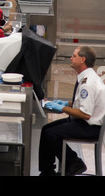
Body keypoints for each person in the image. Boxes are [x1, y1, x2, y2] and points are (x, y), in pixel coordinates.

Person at [39, 46, 105, 176]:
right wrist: (65, 103)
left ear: (82, 59)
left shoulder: (88, 83)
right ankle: (47, 171)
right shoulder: (86, 77)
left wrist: (63, 108)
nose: (71, 58)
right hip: (84, 122)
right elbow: (83, 104)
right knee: (46, 129)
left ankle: (74, 163)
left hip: (91, 127)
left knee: (52, 134)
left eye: (74, 56)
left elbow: (85, 114)